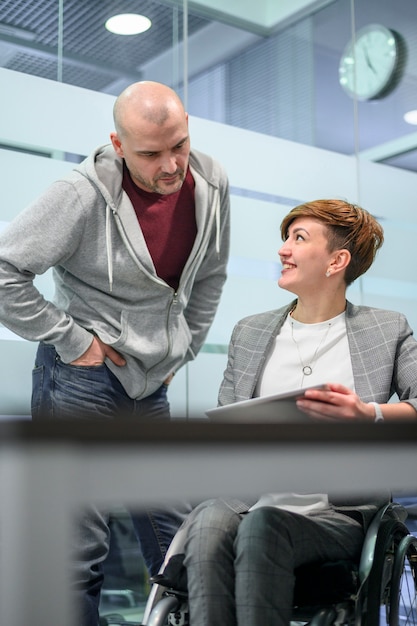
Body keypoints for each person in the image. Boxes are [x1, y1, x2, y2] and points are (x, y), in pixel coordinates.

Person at [0, 81, 230, 625]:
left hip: (150, 383)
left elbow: (211, 275)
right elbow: (5, 271)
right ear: (119, 144)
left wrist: (181, 351)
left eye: (180, 144)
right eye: (152, 153)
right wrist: (73, 340)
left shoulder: (211, 179)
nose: (172, 165)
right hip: (80, 379)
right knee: (79, 544)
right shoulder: (79, 194)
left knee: (177, 536)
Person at [182, 198, 417, 626]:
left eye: (298, 238)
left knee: (263, 527)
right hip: (246, 498)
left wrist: (370, 415)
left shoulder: (387, 329)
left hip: (337, 513)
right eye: (285, 237)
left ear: (337, 260)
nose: (282, 249)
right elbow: (224, 419)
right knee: (206, 524)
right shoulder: (250, 331)